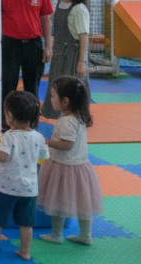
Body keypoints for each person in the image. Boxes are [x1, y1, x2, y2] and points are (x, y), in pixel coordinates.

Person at [0, 90, 49, 260]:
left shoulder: (9, 136)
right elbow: (44, 157)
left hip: (5, 187)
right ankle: (25, 251)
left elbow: (1, 156)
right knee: (26, 223)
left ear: (9, 115)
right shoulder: (38, 137)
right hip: (29, 189)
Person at [37, 75, 103, 245]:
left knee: (58, 201)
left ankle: (56, 234)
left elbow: (66, 144)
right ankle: (85, 234)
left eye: (52, 96)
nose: (50, 99)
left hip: (64, 167)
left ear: (65, 101)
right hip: (80, 166)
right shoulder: (79, 117)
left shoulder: (66, 121)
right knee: (83, 203)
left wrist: (48, 142)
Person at [1, 0, 53, 109]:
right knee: (8, 84)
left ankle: (32, 120)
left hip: (34, 45)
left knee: (33, 86)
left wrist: (48, 46)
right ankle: (6, 120)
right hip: (10, 45)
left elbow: (46, 20)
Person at [41, 0, 91, 119]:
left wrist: (81, 62)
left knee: (72, 87)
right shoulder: (61, 4)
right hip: (59, 52)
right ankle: (56, 115)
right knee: (57, 84)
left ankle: (76, 117)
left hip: (72, 54)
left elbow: (83, 36)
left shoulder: (79, 9)